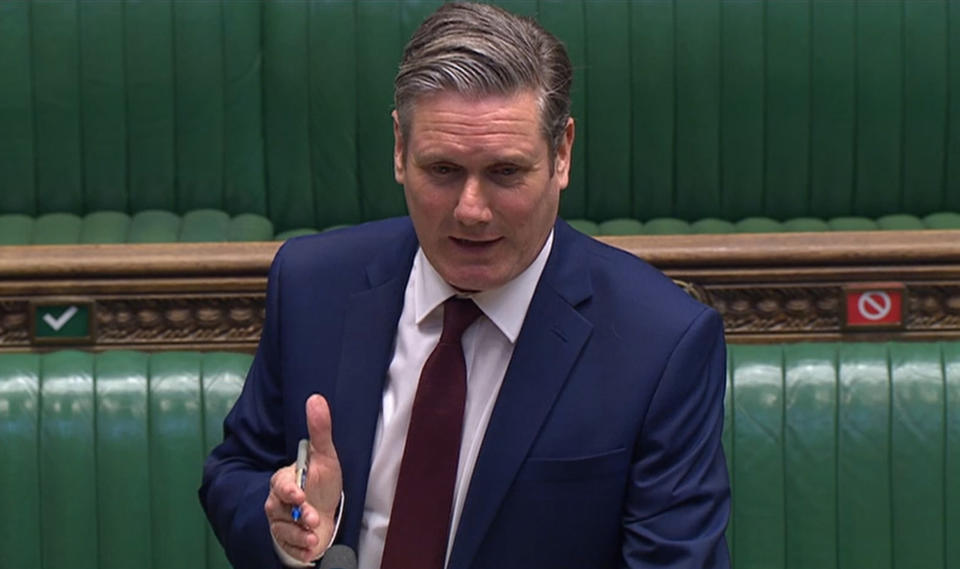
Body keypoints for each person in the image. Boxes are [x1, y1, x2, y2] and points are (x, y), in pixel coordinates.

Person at [199, 3, 730, 568]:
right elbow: (235, 474)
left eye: (505, 172)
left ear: (562, 154)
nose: (471, 211)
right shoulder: (312, 284)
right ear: (400, 150)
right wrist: (290, 528)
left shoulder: (662, 343)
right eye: (444, 171)